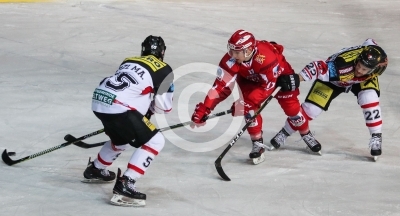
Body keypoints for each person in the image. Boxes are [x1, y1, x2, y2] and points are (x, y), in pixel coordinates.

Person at [82, 35, 174, 207]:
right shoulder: (165, 69)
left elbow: (133, 90)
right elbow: (164, 107)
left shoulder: (128, 60)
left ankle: (96, 168)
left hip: (99, 100)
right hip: (119, 106)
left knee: (121, 138)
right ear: (162, 53)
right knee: (156, 141)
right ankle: (127, 182)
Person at [191, 29, 305, 164]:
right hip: (250, 79)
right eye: (231, 50)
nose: (232, 55)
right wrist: (206, 107)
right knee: (249, 111)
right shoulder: (231, 59)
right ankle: (257, 143)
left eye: (236, 51)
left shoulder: (266, 58)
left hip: (279, 77)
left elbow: (267, 87)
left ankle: (306, 132)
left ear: (248, 50)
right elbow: (220, 86)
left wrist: (247, 102)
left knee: (291, 107)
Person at [272, 38, 388, 160]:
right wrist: (297, 78)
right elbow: (318, 67)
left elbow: (369, 41)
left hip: (362, 81)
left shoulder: (376, 60)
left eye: (364, 69)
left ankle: (376, 136)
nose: (359, 70)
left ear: (375, 69)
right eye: (359, 65)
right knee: (311, 110)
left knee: (369, 98)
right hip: (335, 81)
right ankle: (285, 132)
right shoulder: (342, 66)